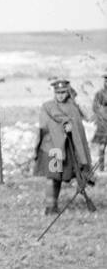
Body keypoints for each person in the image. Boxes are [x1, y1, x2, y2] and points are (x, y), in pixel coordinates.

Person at [35, 78, 96, 215]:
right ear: (54, 93)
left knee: (70, 176)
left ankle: (81, 192)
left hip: (69, 149)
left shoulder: (72, 108)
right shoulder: (48, 106)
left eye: (63, 92)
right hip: (54, 149)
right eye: (58, 93)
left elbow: (81, 126)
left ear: (68, 92)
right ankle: (50, 207)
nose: (60, 95)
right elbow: (46, 125)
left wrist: (72, 128)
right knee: (53, 177)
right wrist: (63, 126)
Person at [93, 72, 107, 171]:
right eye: (106, 80)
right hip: (103, 124)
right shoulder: (99, 94)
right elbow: (95, 107)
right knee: (102, 147)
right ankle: (101, 167)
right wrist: (102, 114)